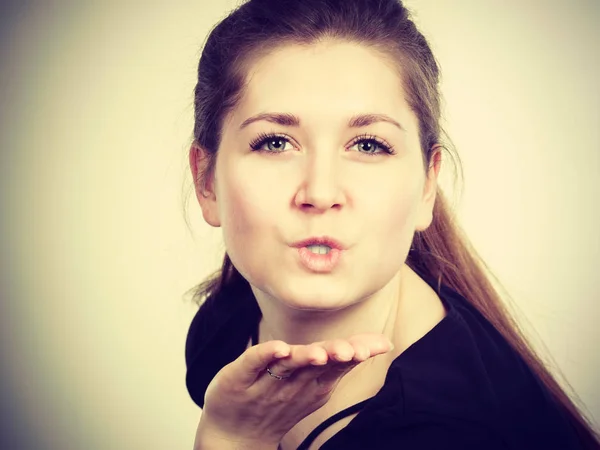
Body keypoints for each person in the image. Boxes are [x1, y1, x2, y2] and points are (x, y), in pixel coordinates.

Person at [184, 0, 600, 448]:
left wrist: (229, 438)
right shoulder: (226, 323)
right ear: (206, 182)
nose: (320, 193)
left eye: (368, 145)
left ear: (427, 186)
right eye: (275, 142)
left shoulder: (454, 433)